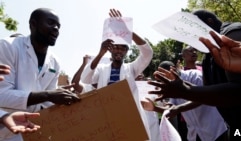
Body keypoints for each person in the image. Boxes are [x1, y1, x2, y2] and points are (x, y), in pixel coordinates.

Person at [148, 9, 241, 140]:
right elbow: (204, 94)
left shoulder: (233, 34)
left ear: (209, 22)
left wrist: (184, 90)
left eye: (194, 33)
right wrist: (180, 98)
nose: (194, 42)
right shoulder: (209, 57)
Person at [0, 8, 80, 141]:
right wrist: (48, 95)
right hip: (5, 132)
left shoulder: (55, 62)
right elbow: (1, 95)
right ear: (33, 24)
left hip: (35, 132)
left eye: (58, 26)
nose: (56, 29)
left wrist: (64, 99)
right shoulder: (8, 46)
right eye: (50, 23)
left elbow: (48, 103)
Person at [81, 8, 155, 140]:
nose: (118, 50)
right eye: (115, 47)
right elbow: (85, 78)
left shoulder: (132, 68)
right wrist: (100, 53)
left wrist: (128, 31)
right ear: (110, 49)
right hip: (106, 117)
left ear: (127, 51)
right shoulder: (102, 69)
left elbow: (148, 53)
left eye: (122, 48)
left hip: (129, 116)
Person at [143, 61, 228, 141]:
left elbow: (204, 97)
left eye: (165, 76)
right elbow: (171, 109)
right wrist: (154, 108)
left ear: (173, 69)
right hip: (194, 135)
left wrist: (179, 108)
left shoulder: (194, 75)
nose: (165, 81)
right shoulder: (173, 87)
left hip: (215, 130)